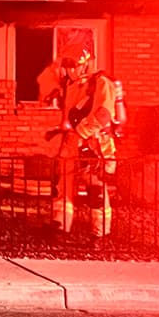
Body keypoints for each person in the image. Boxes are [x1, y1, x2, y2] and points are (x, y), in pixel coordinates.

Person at [46, 43, 117, 238]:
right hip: (72, 144)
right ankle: (60, 225)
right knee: (63, 186)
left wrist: (80, 134)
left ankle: (99, 233)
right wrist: (60, 135)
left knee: (96, 190)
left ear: (86, 64)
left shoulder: (102, 83)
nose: (68, 70)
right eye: (66, 65)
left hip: (95, 145)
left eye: (73, 65)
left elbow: (104, 114)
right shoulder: (71, 84)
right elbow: (69, 116)